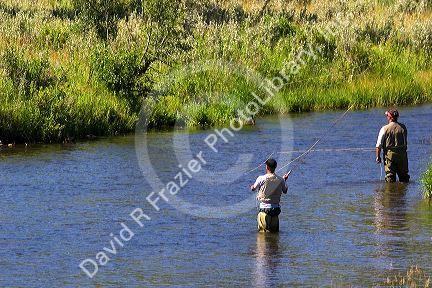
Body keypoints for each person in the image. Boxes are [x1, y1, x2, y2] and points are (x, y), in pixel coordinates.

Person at [250, 159, 290, 232]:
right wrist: (284, 180)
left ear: (267, 167)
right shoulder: (281, 180)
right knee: (274, 236)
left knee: (262, 237)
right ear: (275, 167)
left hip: (264, 211)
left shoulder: (261, 178)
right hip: (275, 211)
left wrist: (252, 186)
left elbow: (253, 188)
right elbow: (285, 191)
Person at [376, 109, 410, 183]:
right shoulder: (403, 127)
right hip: (402, 155)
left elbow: (378, 145)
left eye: (387, 115)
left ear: (390, 117)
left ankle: (391, 193)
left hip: (390, 156)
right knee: (404, 177)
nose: (386, 117)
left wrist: (378, 157)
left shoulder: (384, 128)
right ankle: (404, 193)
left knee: (390, 177)